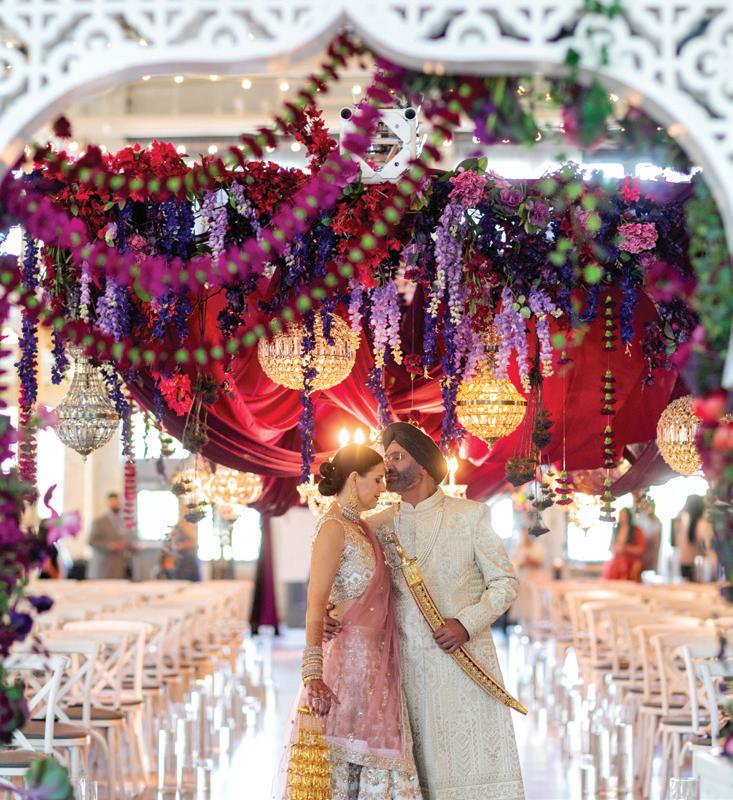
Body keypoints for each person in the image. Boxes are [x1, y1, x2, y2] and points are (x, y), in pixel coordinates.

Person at [329, 423, 524, 800]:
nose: (387, 466)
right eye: (386, 457)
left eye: (397, 456)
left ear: (423, 465)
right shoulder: (376, 525)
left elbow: (505, 583)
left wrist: (466, 624)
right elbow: (356, 584)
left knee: (466, 769)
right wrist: (329, 612)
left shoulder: (471, 516)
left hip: (462, 666)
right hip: (399, 670)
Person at [281, 444, 422, 799]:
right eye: (377, 480)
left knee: (377, 755)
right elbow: (315, 601)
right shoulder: (333, 527)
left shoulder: (360, 528)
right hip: (344, 665)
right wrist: (312, 673)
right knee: (343, 759)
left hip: (375, 664)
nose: (383, 488)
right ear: (355, 478)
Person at [87, 492, 132, 579]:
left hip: (119, 567)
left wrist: (126, 544)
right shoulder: (99, 521)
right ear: (107, 503)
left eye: (117, 502)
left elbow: (128, 538)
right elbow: (91, 541)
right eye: (113, 502)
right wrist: (111, 545)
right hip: (102, 567)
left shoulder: (124, 521)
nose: (115, 504)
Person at [509, 528, 547, 628]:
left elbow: (541, 562)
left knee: (534, 601)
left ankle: (535, 624)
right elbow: (513, 562)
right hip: (523, 577)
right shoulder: (518, 547)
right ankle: (523, 626)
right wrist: (522, 562)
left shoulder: (538, 547)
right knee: (523, 602)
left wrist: (532, 561)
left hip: (535, 577)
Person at [675, 494, 715, 581]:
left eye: (686, 503)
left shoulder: (691, 522)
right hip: (691, 566)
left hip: (691, 566)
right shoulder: (690, 522)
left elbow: (708, 548)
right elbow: (708, 548)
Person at [602, 507, 646, 582]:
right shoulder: (616, 529)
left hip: (630, 562)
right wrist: (616, 548)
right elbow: (611, 547)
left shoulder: (636, 530)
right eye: (621, 515)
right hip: (616, 562)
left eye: (624, 515)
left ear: (628, 516)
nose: (622, 517)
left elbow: (641, 549)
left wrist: (626, 548)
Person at [635, 493, 662, 574]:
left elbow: (657, 540)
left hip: (651, 549)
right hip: (641, 547)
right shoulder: (641, 518)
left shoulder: (657, 522)